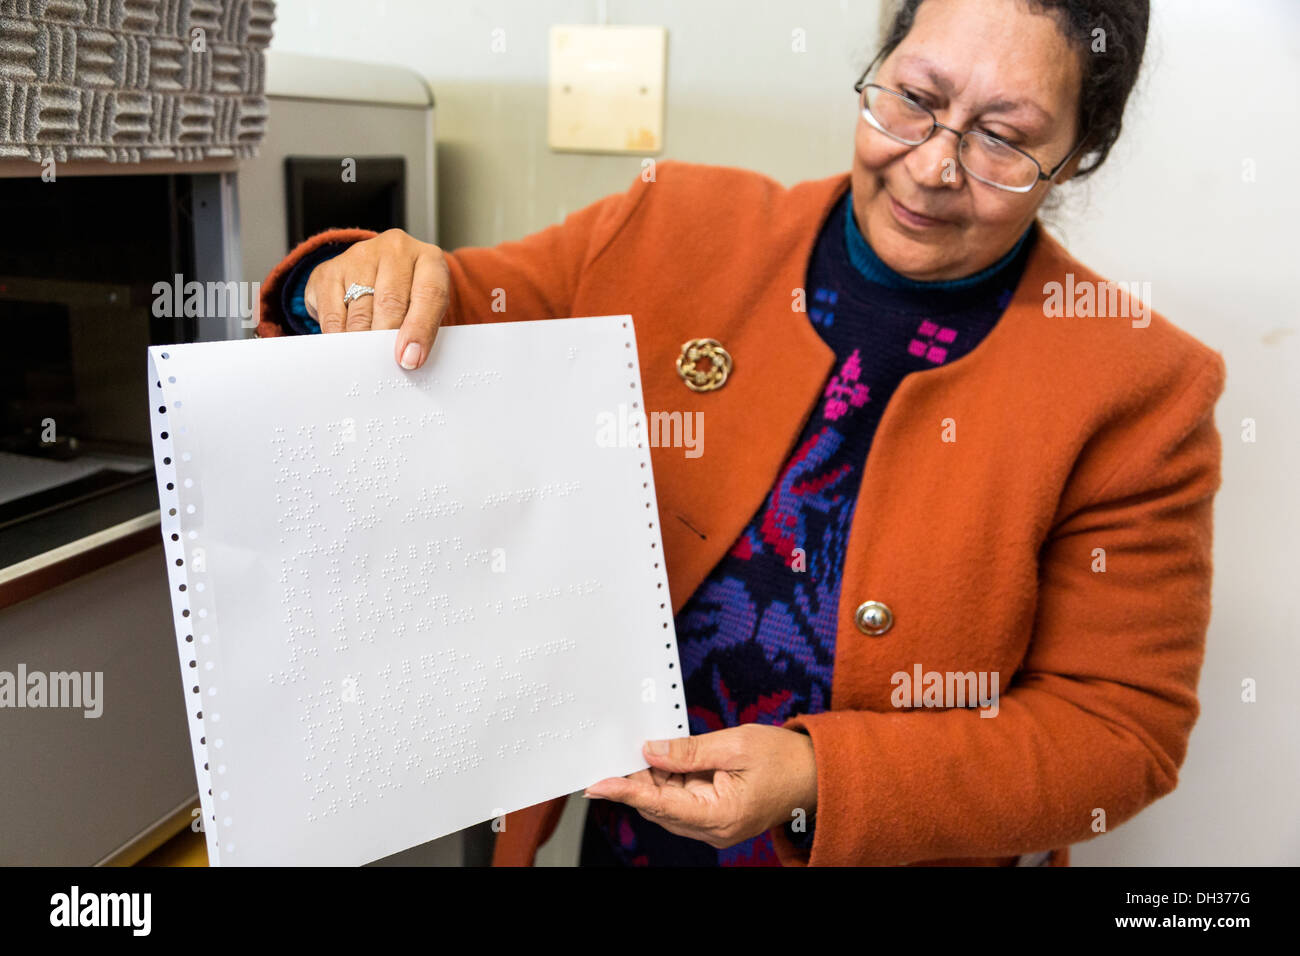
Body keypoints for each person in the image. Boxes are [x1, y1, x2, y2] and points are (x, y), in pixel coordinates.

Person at [255, 0, 1225, 867]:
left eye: (1004, 141)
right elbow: (452, 315)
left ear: (1076, 156)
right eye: (914, 99)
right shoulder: (671, 227)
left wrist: (818, 775)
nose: (933, 165)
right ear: (878, 60)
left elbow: (1114, 730)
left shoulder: (1138, 388)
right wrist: (341, 282)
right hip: (633, 843)